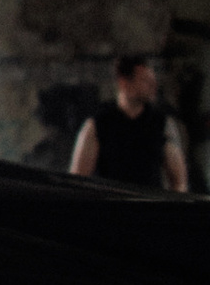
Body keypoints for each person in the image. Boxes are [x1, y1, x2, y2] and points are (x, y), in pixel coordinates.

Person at [72, 53, 187, 192]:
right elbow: (77, 181)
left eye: (152, 80)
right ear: (124, 83)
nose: (152, 86)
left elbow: (179, 182)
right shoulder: (98, 125)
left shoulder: (161, 124)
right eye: (145, 80)